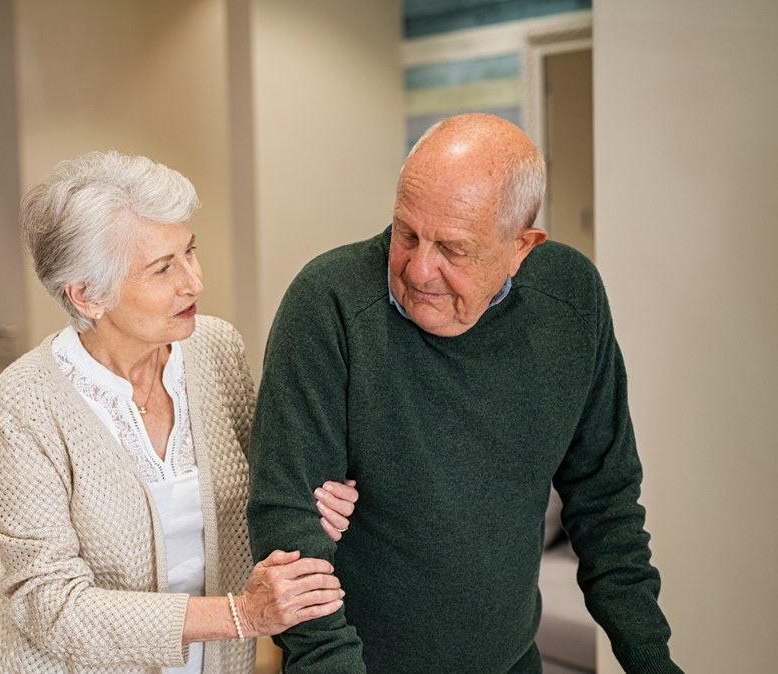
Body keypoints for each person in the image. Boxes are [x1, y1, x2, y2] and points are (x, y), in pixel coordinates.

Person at [246, 114, 682, 673]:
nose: (419, 268)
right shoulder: (328, 304)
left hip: (514, 660)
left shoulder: (570, 301)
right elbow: (290, 527)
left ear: (522, 247)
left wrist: (651, 659)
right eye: (406, 234)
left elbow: (606, 500)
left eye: (453, 249)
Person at [0, 150, 358, 674]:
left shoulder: (215, 347)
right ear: (87, 295)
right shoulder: (28, 397)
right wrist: (238, 615)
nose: (194, 281)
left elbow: (261, 495)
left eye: (190, 251)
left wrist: (310, 502)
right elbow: (50, 606)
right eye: (163, 268)